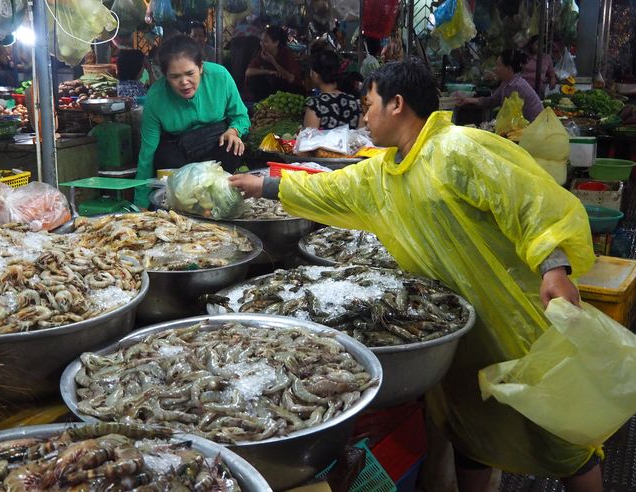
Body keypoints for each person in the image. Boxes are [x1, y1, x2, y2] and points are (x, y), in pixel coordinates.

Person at [230, 58, 602, 492]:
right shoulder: (385, 173)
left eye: (369, 105)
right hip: (457, 329)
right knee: (471, 432)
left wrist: (554, 267)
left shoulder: (461, 149)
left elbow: (527, 201)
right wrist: (266, 185)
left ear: (397, 105)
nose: (363, 116)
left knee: (561, 437)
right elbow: (328, 188)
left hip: (514, 316)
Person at [134, 35, 249, 206]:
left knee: (232, 147)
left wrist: (233, 131)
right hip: (179, 151)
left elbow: (241, 117)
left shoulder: (220, 77)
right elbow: (147, 153)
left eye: (190, 73)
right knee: (162, 157)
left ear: (201, 67)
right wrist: (140, 205)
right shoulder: (156, 97)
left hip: (215, 144)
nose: (184, 82)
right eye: (175, 77)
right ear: (164, 75)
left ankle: (221, 200)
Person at [459, 49, 544, 122]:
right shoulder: (507, 83)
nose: (496, 69)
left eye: (498, 65)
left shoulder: (516, 87)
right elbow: (492, 101)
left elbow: (511, 118)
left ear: (509, 68)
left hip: (534, 130)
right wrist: (469, 100)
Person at [304, 49, 363, 129]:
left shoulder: (316, 105)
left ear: (315, 74)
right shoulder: (354, 102)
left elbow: (309, 139)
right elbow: (362, 136)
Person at [244, 26, 303, 101]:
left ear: (276, 43)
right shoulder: (261, 53)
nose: (262, 44)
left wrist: (273, 62)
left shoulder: (286, 55)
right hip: (270, 92)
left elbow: (291, 79)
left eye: (265, 41)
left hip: (292, 92)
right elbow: (248, 72)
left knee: (276, 80)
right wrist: (269, 71)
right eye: (261, 41)